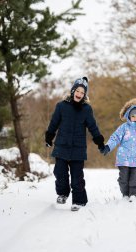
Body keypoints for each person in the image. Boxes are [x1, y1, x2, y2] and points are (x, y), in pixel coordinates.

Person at [45, 76, 105, 211]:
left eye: (82, 92)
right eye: (77, 91)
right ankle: (62, 193)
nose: (79, 94)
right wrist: (49, 136)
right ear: (72, 91)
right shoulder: (61, 106)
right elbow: (54, 123)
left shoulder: (86, 109)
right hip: (61, 146)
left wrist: (99, 142)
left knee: (77, 177)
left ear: (85, 95)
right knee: (59, 173)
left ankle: (79, 201)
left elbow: (93, 127)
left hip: (78, 149)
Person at [101, 98, 136, 202]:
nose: (135, 118)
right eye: (133, 116)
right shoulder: (123, 128)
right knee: (123, 179)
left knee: (135, 179)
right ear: (128, 116)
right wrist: (108, 147)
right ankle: (125, 194)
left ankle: (134, 195)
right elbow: (115, 137)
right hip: (124, 159)